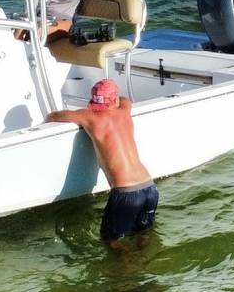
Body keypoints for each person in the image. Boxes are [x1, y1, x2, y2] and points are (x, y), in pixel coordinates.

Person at [47, 79, 158, 251]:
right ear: (114, 101)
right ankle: (144, 262)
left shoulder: (88, 116)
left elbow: (53, 116)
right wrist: (115, 99)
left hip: (125, 192)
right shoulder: (124, 111)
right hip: (149, 188)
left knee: (110, 240)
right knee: (143, 232)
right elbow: (126, 100)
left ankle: (128, 272)